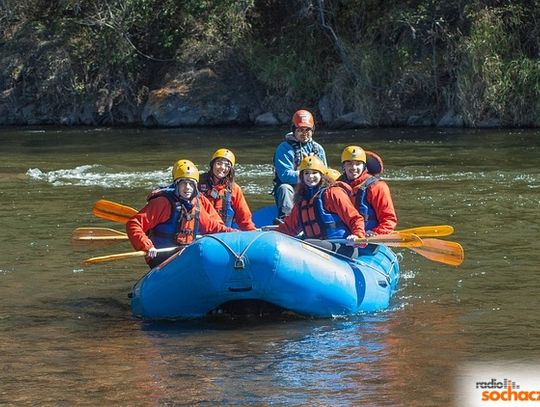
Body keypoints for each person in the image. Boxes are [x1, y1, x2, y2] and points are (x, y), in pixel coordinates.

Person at [126, 159, 237, 268]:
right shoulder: (162, 203)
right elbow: (133, 224)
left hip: (184, 255)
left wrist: (235, 233)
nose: (187, 188)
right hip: (161, 257)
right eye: (183, 183)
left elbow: (212, 227)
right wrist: (147, 246)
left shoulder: (196, 204)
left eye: (191, 184)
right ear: (176, 185)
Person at [276, 155, 366, 244]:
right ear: (302, 176)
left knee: (307, 243)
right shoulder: (302, 199)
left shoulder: (332, 193)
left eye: (314, 173)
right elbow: (289, 227)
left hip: (340, 245)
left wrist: (357, 235)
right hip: (315, 246)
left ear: (321, 175)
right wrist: (273, 235)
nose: (310, 176)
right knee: (307, 242)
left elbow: (355, 218)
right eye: (306, 173)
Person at [272, 109, 327, 222]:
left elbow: (325, 173)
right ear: (294, 130)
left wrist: (313, 179)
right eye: (300, 130)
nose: (304, 133)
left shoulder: (318, 149)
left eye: (308, 130)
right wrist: (306, 175)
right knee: (284, 188)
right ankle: (286, 220)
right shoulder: (284, 148)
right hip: (293, 189)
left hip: (314, 188)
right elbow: (285, 175)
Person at [339, 145, 397, 235]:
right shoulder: (336, 187)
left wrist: (375, 234)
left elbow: (388, 220)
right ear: (343, 166)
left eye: (358, 163)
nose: (354, 167)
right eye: (349, 163)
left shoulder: (377, 187)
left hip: (370, 238)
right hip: (344, 238)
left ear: (364, 165)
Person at [198, 148, 256, 231]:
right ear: (212, 165)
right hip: (199, 233)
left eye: (227, 166)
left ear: (230, 170)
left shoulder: (234, 189)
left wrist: (251, 232)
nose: (222, 168)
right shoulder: (197, 184)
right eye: (219, 163)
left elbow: (244, 217)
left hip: (223, 234)